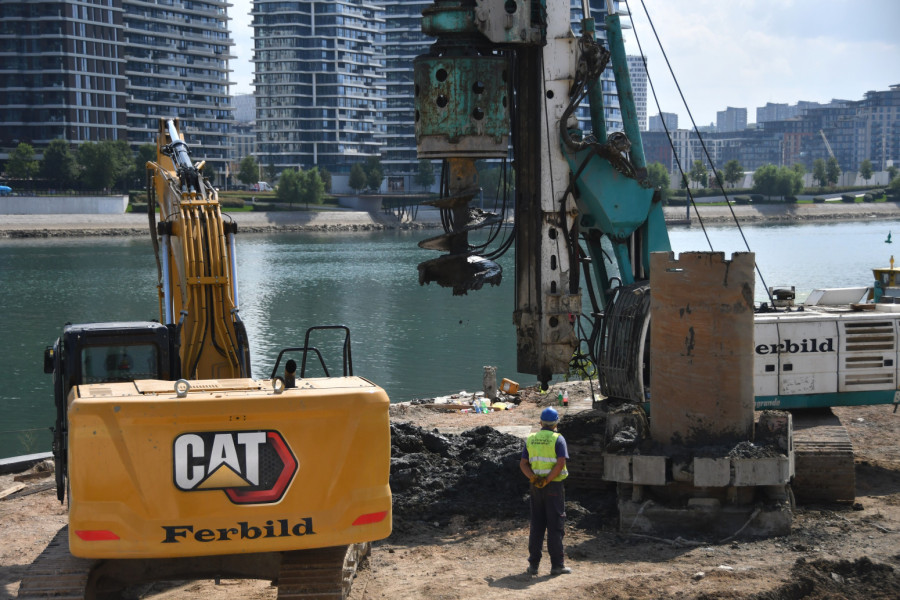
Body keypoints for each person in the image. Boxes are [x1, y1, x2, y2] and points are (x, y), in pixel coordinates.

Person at [520, 406, 571, 576]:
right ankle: (557, 565)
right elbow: (561, 463)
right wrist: (547, 480)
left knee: (537, 525)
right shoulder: (558, 439)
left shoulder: (531, 438)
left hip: (536, 487)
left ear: (540, 422)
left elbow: (523, 464)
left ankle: (533, 565)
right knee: (555, 525)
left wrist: (534, 479)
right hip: (553, 486)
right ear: (556, 424)